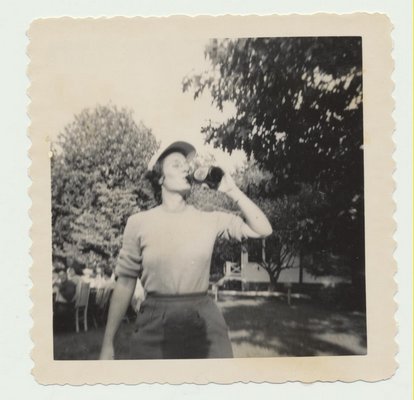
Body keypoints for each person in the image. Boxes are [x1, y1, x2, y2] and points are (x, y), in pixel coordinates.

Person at [100, 140, 272, 360]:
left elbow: (263, 229)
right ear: (160, 177)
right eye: (176, 164)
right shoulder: (138, 223)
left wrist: (232, 190)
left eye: (186, 165)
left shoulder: (209, 217)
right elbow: (125, 283)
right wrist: (107, 344)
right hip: (154, 323)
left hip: (204, 323)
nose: (186, 168)